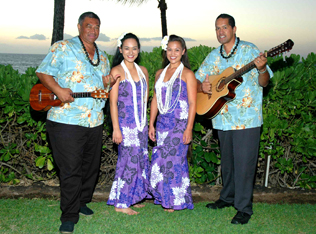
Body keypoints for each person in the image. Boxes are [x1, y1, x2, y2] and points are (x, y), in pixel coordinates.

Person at [36, 12, 118, 233]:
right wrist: (58, 90)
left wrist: (107, 86)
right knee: (71, 168)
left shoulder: (102, 55)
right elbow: (43, 72)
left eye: (97, 26)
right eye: (89, 25)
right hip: (66, 119)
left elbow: (101, 86)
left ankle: (81, 202)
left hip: (94, 119)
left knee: (90, 167)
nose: (93, 30)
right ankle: (69, 215)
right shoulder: (63, 47)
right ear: (80, 26)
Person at [195, 13, 273, 225]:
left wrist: (262, 68)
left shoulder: (250, 50)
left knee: (245, 165)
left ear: (234, 29)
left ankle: (243, 208)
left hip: (247, 119)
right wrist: (202, 85)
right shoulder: (213, 56)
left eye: (225, 28)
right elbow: (197, 78)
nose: (221, 32)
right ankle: (227, 198)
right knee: (228, 163)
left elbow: (264, 82)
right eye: (217, 28)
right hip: (222, 118)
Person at [148, 34, 196, 212]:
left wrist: (189, 128)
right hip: (162, 123)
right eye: (169, 49)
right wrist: (151, 123)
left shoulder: (188, 74)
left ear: (183, 52)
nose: (173, 53)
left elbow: (193, 103)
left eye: (177, 50)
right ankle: (165, 197)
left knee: (174, 161)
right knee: (161, 160)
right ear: (165, 51)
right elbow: (155, 100)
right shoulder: (159, 74)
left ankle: (174, 201)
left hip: (180, 124)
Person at [107, 33, 150, 215]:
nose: (130, 52)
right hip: (125, 126)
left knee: (139, 161)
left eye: (134, 48)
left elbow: (145, 99)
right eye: (126, 48)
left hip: (141, 125)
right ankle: (121, 203)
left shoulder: (143, 71)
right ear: (120, 50)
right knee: (128, 162)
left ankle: (134, 196)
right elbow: (113, 102)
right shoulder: (116, 71)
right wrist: (116, 128)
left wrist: (147, 124)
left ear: (138, 50)